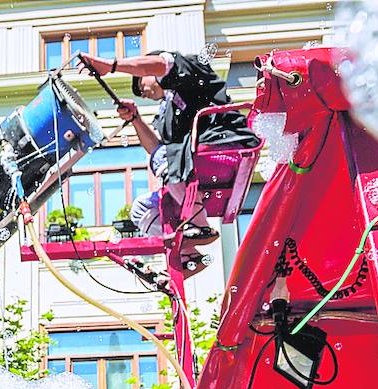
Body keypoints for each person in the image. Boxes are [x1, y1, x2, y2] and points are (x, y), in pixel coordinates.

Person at [78, 49, 255, 276]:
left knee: (166, 157)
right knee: (142, 208)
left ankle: (199, 225)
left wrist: (111, 66)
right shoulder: (168, 112)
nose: (141, 91)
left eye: (140, 81)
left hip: (222, 146)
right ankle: (187, 256)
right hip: (193, 162)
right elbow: (156, 150)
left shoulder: (189, 70)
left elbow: (165, 64)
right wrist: (135, 119)